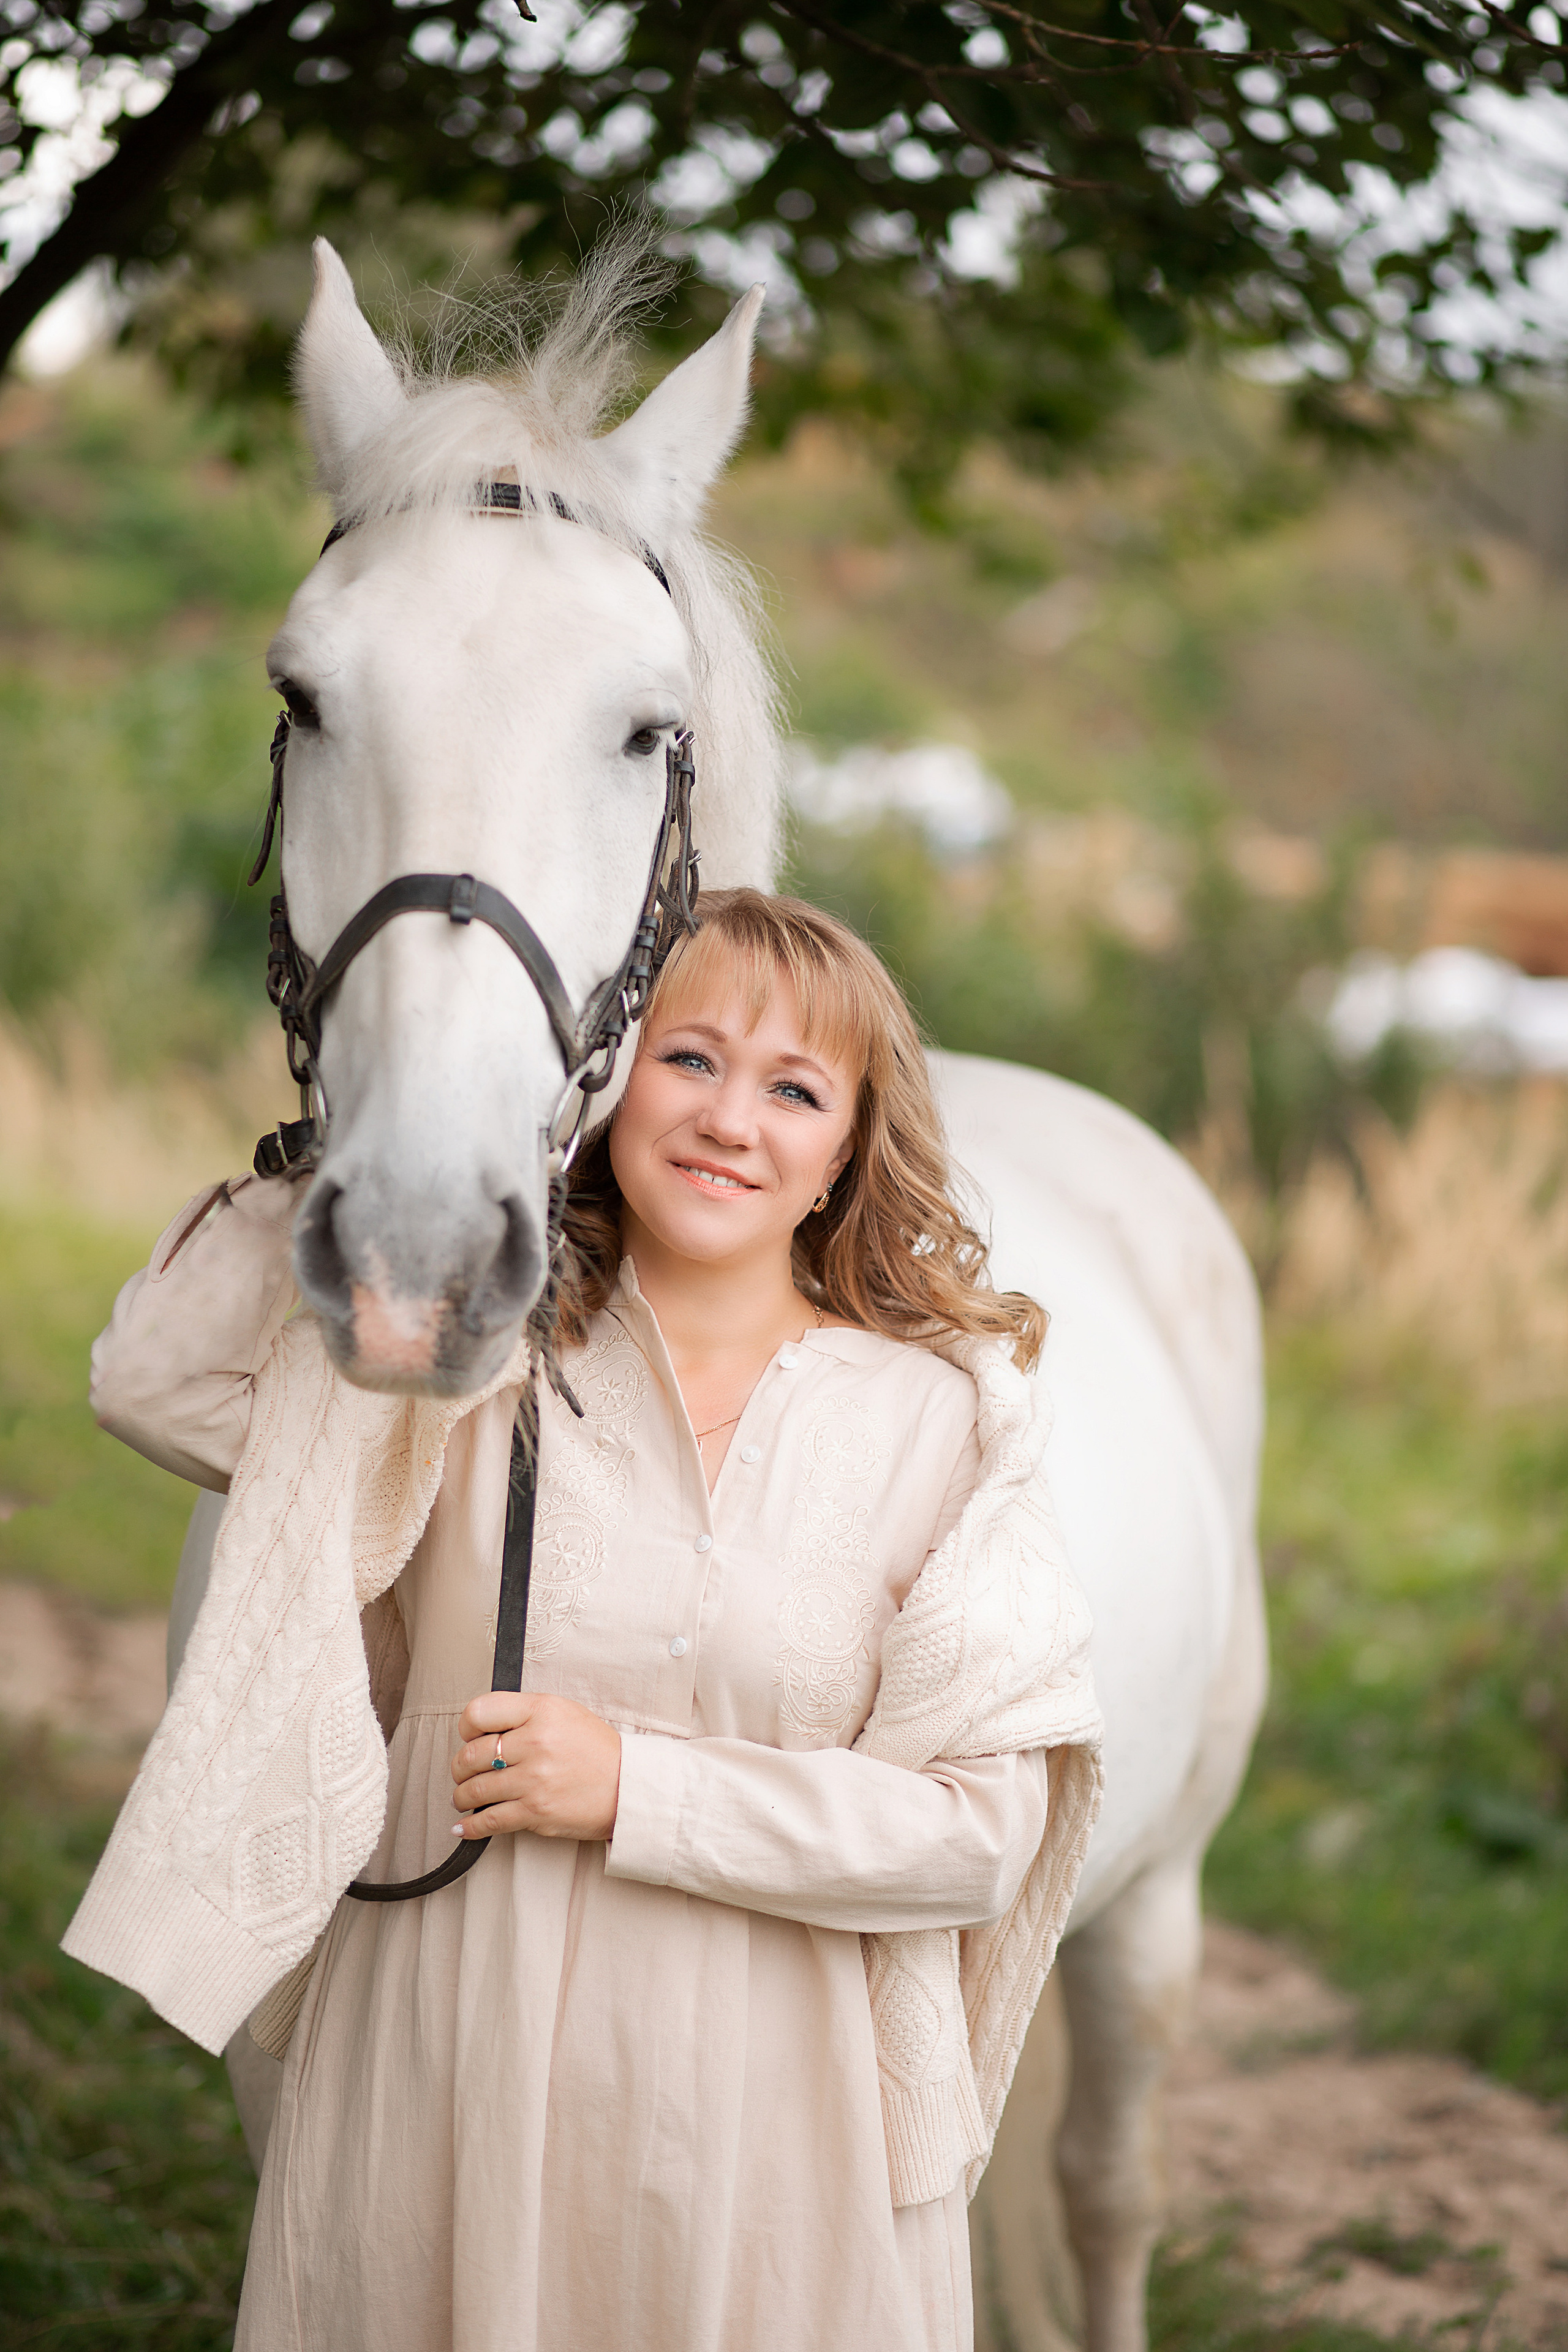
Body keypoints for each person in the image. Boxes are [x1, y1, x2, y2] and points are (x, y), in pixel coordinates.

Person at [74, 888, 1102, 2352]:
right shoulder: (458, 1364)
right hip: (445, 2062)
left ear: (841, 1156)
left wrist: (637, 1789)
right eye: (688, 1059)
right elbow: (151, 1386)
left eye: (793, 1087)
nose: (727, 1119)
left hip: (774, 2135)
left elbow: (979, 1838)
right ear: (603, 1088)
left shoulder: (939, 1426)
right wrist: (376, 1124)